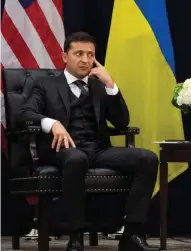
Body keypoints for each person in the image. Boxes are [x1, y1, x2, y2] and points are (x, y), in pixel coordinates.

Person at [20, 32, 160, 251]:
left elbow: (122, 121)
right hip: (62, 149)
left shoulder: (98, 86)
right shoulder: (45, 84)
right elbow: (26, 113)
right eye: (78, 54)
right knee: (75, 159)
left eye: (90, 55)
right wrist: (52, 123)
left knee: (147, 158)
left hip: (97, 149)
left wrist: (111, 85)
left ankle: (132, 234)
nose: (85, 60)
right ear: (65, 56)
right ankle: (76, 236)